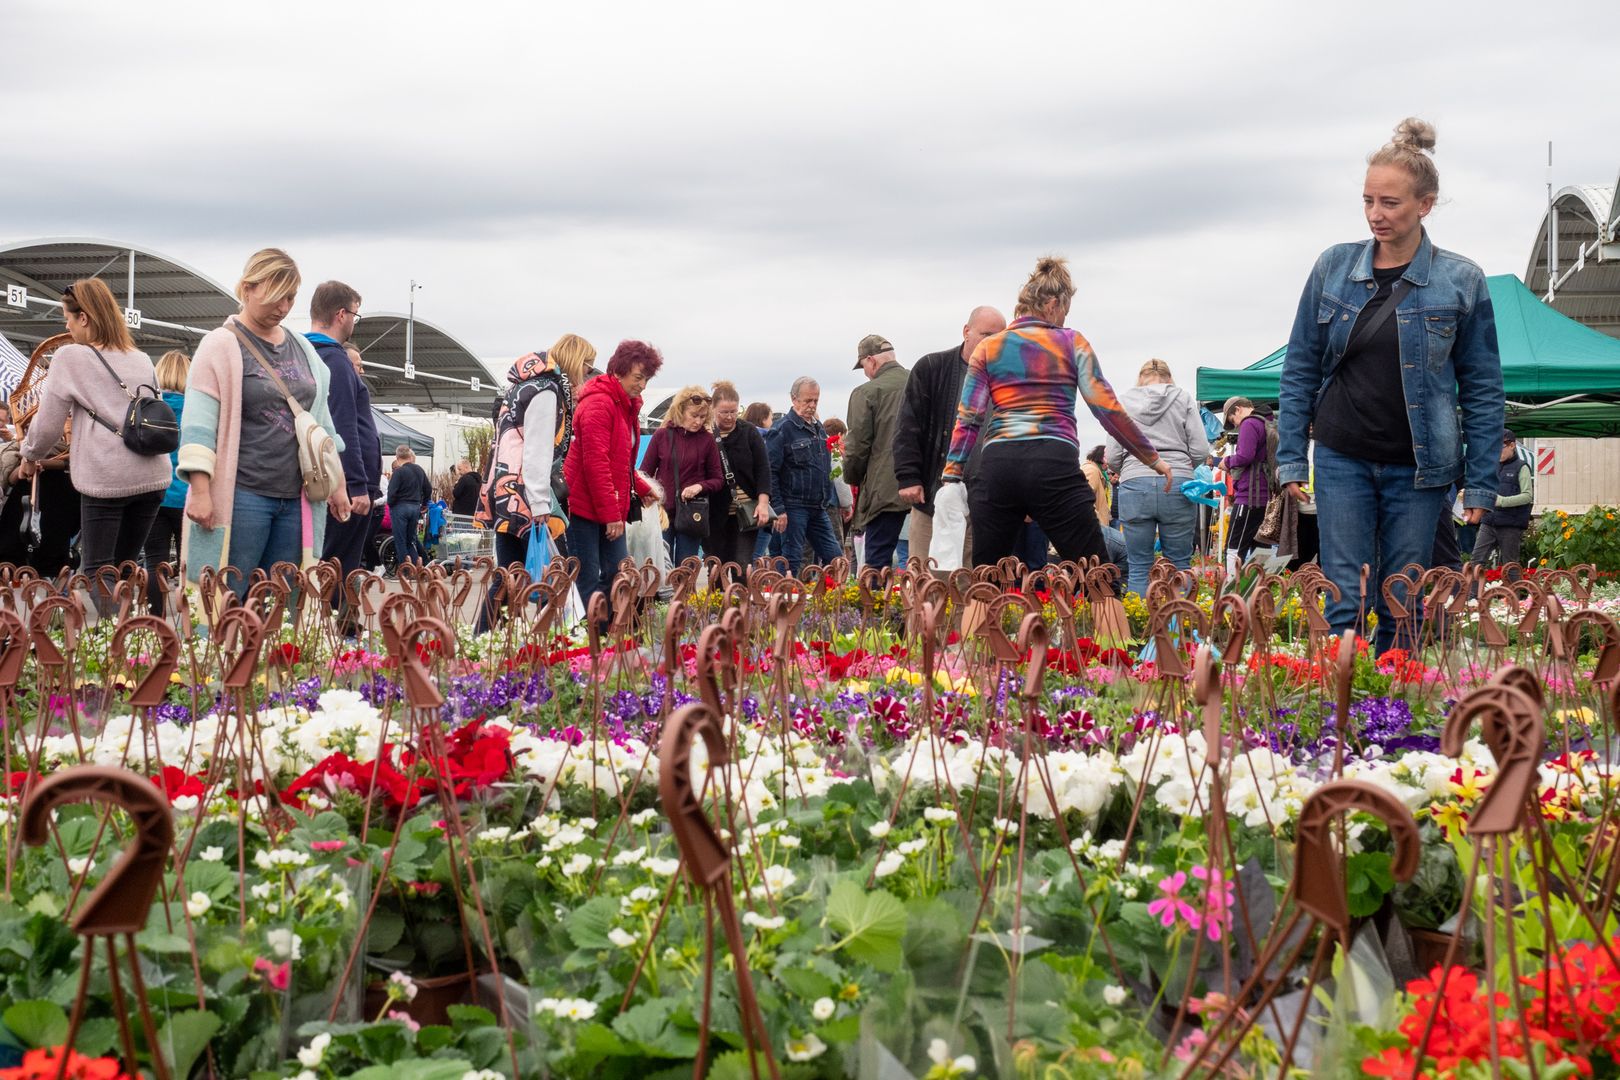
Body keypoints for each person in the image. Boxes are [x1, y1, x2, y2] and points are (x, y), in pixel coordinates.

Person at [1278, 117, 1504, 653]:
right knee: (1343, 601)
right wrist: (1290, 458)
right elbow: (1300, 368)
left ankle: (1394, 721)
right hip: (1341, 457)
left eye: (1391, 203)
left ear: (1424, 205)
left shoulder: (1461, 280)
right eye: (1368, 201)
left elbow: (1483, 390)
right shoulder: (1333, 267)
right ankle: (1341, 724)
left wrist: (1481, 482)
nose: (1376, 214)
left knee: (1402, 602)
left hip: (1420, 469)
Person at [942, 257, 1169, 566]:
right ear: (1052, 304)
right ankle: (1107, 610)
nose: (1064, 318)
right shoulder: (1071, 342)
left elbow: (968, 418)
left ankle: (979, 612)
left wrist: (952, 473)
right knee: (1097, 576)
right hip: (1052, 461)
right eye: (1064, 310)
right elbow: (1107, 409)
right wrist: (1152, 459)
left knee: (986, 580)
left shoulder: (988, 349)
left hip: (999, 466)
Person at [180, 249, 349, 593]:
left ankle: (274, 650)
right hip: (243, 494)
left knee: (282, 598)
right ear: (248, 287)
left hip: (298, 497)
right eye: (276, 296)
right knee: (227, 592)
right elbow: (199, 425)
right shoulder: (220, 345)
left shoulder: (303, 349)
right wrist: (200, 491)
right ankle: (221, 648)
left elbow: (321, 424)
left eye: (290, 297)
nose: (284, 307)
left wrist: (339, 485)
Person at [17, 277, 172, 588]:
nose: (68, 328)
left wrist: (29, 455)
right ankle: (128, 633)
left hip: (107, 476)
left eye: (68, 319)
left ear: (83, 318)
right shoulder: (140, 358)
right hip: (153, 475)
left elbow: (47, 425)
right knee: (126, 568)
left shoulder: (70, 356)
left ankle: (107, 635)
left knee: (99, 572)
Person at [893, 306, 1006, 567]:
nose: (992, 342)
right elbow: (907, 426)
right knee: (924, 577)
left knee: (971, 586)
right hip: (934, 495)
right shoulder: (932, 368)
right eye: (986, 334)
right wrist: (908, 476)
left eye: (999, 337)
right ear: (967, 332)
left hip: (984, 500)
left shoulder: (1008, 379)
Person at [477, 335, 592, 580]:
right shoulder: (547, 391)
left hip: (505, 492)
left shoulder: (523, 386)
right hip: (527, 497)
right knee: (552, 580)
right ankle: (553, 619)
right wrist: (540, 503)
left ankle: (491, 620)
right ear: (576, 360)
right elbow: (537, 449)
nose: (588, 371)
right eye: (587, 364)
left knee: (509, 578)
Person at [564, 340, 662, 613]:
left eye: (646, 379)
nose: (642, 385)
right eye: (638, 377)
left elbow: (619, 461)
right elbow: (596, 464)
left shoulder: (625, 405)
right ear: (619, 372)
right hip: (583, 506)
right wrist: (611, 517)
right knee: (589, 577)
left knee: (618, 573)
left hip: (608, 504)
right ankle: (589, 643)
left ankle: (608, 638)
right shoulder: (599, 404)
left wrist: (641, 487)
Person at [1108, 360, 1208, 595]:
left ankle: (1140, 626)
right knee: (1180, 565)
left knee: (1138, 565)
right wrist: (1183, 466)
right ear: (1169, 377)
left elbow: (1112, 455)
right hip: (1178, 482)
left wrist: (1130, 469)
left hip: (1134, 482)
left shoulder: (1123, 402)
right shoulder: (1183, 399)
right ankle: (1182, 625)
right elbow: (1201, 450)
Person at [306, 281, 375, 585]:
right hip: (345, 485)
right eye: (355, 315)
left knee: (329, 560)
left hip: (325, 477)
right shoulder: (335, 360)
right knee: (341, 565)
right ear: (341, 314)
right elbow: (343, 426)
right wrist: (356, 485)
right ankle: (340, 628)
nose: (354, 323)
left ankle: (332, 623)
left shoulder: (306, 354)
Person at [843, 334, 911, 570]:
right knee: (923, 562)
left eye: (863, 366)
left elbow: (856, 448)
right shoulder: (921, 381)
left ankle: (874, 607)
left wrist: (851, 479)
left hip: (886, 489)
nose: (865, 372)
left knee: (877, 563)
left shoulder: (867, 392)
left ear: (870, 360)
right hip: (926, 487)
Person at [641, 385, 724, 565]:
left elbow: (718, 479)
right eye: (694, 415)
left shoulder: (707, 440)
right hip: (662, 511)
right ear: (680, 411)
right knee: (661, 567)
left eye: (702, 417)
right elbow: (644, 472)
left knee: (686, 569)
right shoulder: (661, 435)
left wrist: (699, 487)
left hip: (692, 513)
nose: (698, 421)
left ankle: (685, 594)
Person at [767, 377, 842, 573]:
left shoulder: (818, 429)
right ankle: (783, 599)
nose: (811, 405)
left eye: (815, 401)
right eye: (807, 400)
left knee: (835, 557)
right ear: (794, 399)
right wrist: (779, 509)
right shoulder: (782, 430)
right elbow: (771, 471)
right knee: (791, 559)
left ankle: (833, 600)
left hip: (818, 506)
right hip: (793, 506)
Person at [144, 350, 190, 612]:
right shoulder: (197, 409)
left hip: (155, 495)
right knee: (189, 564)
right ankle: (189, 622)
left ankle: (154, 621)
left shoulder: (148, 410)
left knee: (154, 563)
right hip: (188, 497)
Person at [709, 381, 772, 571]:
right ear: (713, 409)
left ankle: (742, 599)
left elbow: (763, 468)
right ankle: (718, 601)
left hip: (745, 512)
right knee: (716, 566)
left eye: (733, 412)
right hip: (715, 512)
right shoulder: (706, 434)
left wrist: (763, 503)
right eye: (724, 412)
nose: (729, 417)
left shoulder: (748, 432)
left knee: (742, 565)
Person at [1471, 431, 1532, 581]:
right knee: (1476, 561)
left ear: (1512, 445)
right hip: (1488, 521)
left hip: (1510, 524)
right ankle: (1472, 599)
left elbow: (1527, 496)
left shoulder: (1522, 467)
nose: (1497, 452)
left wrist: (1502, 501)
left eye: (1501, 447)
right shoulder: (1491, 467)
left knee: (1510, 566)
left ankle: (1514, 601)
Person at [345, 344, 386, 570]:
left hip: (364, 489)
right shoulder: (345, 391)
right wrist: (358, 485)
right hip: (355, 490)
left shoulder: (357, 391)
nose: (361, 371)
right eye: (358, 365)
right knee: (341, 555)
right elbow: (348, 434)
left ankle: (343, 600)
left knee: (352, 553)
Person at [1220, 397, 1272, 565]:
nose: (1235, 425)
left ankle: (1232, 589)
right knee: (1261, 550)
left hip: (1250, 496)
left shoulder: (1249, 423)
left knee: (1233, 548)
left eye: (1232, 419)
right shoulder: (1268, 421)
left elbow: (1245, 456)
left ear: (1238, 409)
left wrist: (1226, 462)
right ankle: (1261, 589)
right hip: (1267, 496)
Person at [386, 445, 432, 567]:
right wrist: (424, 503)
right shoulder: (419, 470)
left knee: (400, 541)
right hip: (415, 507)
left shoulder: (398, 472)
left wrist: (391, 504)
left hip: (400, 508)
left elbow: (391, 493)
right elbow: (428, 489)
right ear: (409, 455)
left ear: (397, 456)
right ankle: (418, 566)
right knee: (410, 540)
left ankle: (405, 571)